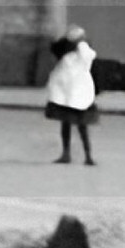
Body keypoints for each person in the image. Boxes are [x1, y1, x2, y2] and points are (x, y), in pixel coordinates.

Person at [44, 25, 98, 166]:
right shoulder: (66, 56)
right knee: (67, 124)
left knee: (82, 126)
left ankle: (87, 155)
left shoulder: (82, 54)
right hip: (67, 95)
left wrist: (80, 42)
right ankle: (67, 154)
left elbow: (88, 54)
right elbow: (55, 48)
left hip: (79, 94)